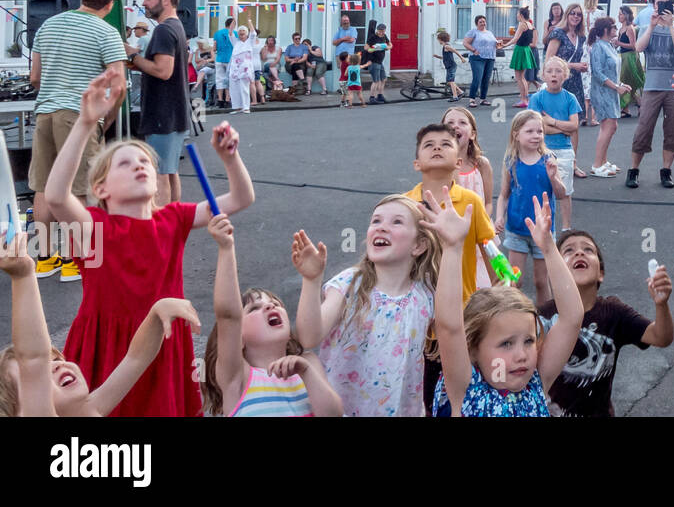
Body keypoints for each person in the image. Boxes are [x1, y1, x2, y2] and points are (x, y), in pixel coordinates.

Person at [47, 70, 255, 416]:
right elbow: (55, 197)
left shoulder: (172, 218)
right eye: (124, 164)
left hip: (164, 340)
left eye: (144, 161)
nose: (140, 166)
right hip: (107, 345)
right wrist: (85, 124)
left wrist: (231, 157)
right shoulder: (95, 227)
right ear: (101, 189)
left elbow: (241, 198)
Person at [0, 232, 202, 418]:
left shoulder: (90, 410)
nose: (55, 365)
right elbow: (33, 357)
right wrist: (23, 276)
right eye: (37, 375)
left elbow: (135, 358)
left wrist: (157, 312)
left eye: (54, 359)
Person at [428, 192, 582, 417]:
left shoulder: (536, 381)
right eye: (506, 344)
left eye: (529, 340)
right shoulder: (465, 387)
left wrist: (548, 249)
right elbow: (449, 326)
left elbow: (572, 318)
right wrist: (452, 248)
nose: (522, 355)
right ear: (472, 348)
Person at [293, 194, 438, 417]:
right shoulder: (350, 283)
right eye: (376, 221)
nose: (381, 228)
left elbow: (458, 331)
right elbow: (309, 337)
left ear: (419, 245)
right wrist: (311, 280)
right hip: (340, 410)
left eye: (396, 222)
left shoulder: (426, 293)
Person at [28, 0, 127, 284]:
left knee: (43, 186)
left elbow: (34, 77)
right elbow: (119, 86)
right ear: (109, 5)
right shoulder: (107, 32)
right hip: (79, 115)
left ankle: (44, 258)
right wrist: (106, 117)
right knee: (82, 188)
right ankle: (76, 260)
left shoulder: (49, 25)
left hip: (45, 111)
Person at [201, 214, 343, 416]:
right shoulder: (237, 377)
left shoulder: (308, 362)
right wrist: (226, 248)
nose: (269, 307)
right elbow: (228, 316)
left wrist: (306, 372)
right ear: (239, 338)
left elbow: (333, 414)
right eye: (254, 308)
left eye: (274, 303)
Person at [537, 230, 674, 416]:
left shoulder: (614, 312)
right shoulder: (543, 315)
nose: (579, 253)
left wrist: (662, 305)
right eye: (569, 250)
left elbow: (661, 337)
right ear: (556, 270)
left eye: (588, 250)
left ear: (600, 273)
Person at [403, 125, 496, 303]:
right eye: (428, 145)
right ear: (417, 164)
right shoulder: (404, 204)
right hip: (412, 308)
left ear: (458, 162)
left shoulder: (471, 201)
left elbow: (488, 247)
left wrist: (504, 279)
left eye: (446, 144)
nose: (437, 148)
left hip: (460, 306)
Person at [124, 0, 191, 205]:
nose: (144, 3)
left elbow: (163, 71)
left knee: (160, 174)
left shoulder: (164, 29)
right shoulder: (175, 26)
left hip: (163, 112)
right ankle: (173, 223)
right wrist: (139, 57)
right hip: (174, 110)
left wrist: (133, 58)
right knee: (170, 171)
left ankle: (162, 226)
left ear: (166, 0)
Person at [494, 110, 566, 302]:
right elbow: (503, 195)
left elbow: (561, 194)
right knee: (514, 281)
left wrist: (553, 178)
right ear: (516, 134)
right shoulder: (511, 161)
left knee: (541, 281)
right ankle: (517, 318)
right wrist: (499, 217)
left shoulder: (548, 160)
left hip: (543, 232)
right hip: (517, 230)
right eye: (530, 131)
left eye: (540, 131)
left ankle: (544, 319)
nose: (536, 136)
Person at [627, 0, 674, 190]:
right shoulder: (646, 28)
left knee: (673, 130)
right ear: (653, 6)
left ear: (673, 7)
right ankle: (634, 170)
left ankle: (666, 171)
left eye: (665, 5)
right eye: (657, 4)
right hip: (652, 87)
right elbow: (638, 48)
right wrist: (652, 26)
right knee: (643, 129)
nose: (660, 8)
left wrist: (670, 26)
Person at [529, 58, 582, 231]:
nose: (554, 74)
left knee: (565, 191)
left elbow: (574, 126)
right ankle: (542, 227)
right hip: (541, 150)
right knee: (541, 190)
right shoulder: (536, 98)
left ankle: (566, 228)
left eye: (558, 71)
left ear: (565, 75)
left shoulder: (570, 98)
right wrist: (563, 127)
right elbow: (535, 127)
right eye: (550, 71)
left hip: (565, 151)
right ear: (543, 75)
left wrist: (551, 121)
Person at [545, 4, 589, 174]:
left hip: (575, 83)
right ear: (567, 14)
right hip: (559, 81)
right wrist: (573, 65)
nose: (576, 17)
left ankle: (572, 164)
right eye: (573, 13)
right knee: (552, 123)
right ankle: (550, 161)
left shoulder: (581, 36)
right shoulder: (558, 33)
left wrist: (582, 66)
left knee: (574, 125)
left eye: (579, 14)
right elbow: (549, 58)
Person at [588, 18, 630, 179]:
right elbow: (597, 73)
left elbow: (612, 71)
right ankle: (597, 164)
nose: (616, 28)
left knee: (611, 126)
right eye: (613, 27)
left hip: (610, 90)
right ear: (605, 29)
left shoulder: (610, 46)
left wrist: (621, 84)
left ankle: (603, 161)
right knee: (608, 126)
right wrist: (616, 87)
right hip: (602, 91)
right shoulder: (598, 47)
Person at [463, 15, 501, 107]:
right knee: (477, 78)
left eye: (484, 21)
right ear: (477, 23)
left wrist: (498, 44)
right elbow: (465, 43)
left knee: (486, 79)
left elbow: (495, 44)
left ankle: (483, 99)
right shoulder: (473, 32)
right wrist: (473, 50)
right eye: (480, 22)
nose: (483, 23)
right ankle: (472, 99)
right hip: (477, 58)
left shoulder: (489, 33)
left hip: (490, 58)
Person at [503, 7, 537, 108]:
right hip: (526, 50)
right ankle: (525, 99)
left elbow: (516, 38)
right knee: (522, 78)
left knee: (519, 77)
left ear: (521, 15)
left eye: (517, 14)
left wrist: (505, 45)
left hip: (521, 50)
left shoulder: (522, 24)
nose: (516, 16)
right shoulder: (530, 24)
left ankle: (523, 100)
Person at [227, 16, 260, 116]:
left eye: (243, 32)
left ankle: (246, 107)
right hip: (235, 69)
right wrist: (234, 21)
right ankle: (237, 107)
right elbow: (230, 32)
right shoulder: (235, 41)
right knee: (234, 89)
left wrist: (249, 21)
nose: (241, 34)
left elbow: (253, 33)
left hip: (245, 70)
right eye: (240, 32)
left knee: (244, 88)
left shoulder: (250, 42)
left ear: (246, 33)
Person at [616, 5, 643, 117]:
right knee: (625, 81)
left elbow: (633, 45)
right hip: (623, 56)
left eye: (621, 14)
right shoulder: (621, 28)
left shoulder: (630, 28)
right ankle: (625, 108)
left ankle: (640, 105)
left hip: (630, 57)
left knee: (630, 82)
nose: (619, 16)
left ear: (626, 16)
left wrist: (618, 43)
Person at [361, 23, 390, 104]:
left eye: (383, 31)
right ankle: (372, 98)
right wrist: (374, 48)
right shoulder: (373, 37)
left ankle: (380, 96)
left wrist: (387, 47)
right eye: (380, 31)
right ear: (377, 30)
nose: (381, 33)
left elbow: (390, 44)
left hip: (380, 62)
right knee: (376, 81)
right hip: (373, 62)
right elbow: (366, 47)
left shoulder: (384, 36)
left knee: (383, 79)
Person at [436, 30, 466, 101]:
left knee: (451, 81)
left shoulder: (446, 46)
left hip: (451, 66)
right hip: (449, 66)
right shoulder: (445, 47)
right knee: (449, 82)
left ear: (441, 39)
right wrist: (438, 57)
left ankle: (455, 96)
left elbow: (455, 51)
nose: (438, 41)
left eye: (438, 40)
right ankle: (461, 92)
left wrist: (462, 58)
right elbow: (446, 57)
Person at [331, 16, 357, 92]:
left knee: (349, 70)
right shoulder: (339, 31)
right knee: (342, 71)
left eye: (347, 20)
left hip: (349, 54)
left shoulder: (353, 29)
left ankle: (350, 87)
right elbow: (334, 43)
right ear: (341, 22)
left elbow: (352, 40)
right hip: (339, 54)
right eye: (344, 21)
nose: (346, 22)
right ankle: (343, 88)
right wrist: (343, 39)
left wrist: (340, 40)